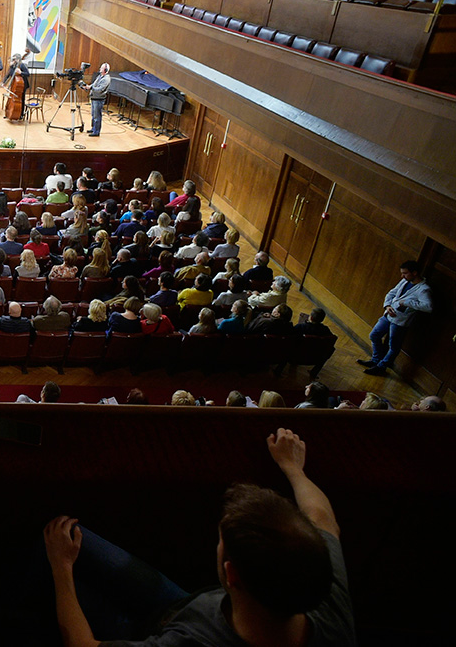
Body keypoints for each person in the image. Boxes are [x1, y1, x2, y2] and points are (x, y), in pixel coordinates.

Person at [44, 427, 351, 647]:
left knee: (50, 558)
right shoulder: (320, 589)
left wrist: (61, 566)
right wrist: (294, 469)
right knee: (69, 537)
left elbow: (84, 644)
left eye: (221, 541)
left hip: (151, 631)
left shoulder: (192, 641)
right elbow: (322, 519)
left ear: (231, 574)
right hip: (183, 606)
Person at [358, 259, 433, 376]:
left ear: (414, 273)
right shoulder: (404, 281)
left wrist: (407, 303)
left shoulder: (424, 289)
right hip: (389, 315)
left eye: (405, 273)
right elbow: (391, 293)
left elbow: (428, 307)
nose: (402, 276)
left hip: (400, 322)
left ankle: (381, 367)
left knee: (394, 346)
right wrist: (387, 305)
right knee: (374, 335)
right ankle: (375, 360)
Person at [79, 62, 111, 137]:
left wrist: (91, 88)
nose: (100, 68)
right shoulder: (100, 76)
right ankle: (93, 128)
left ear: (106, 70)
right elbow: (94, 84)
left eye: (102, 68)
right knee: (93, 115)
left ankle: (96, 132)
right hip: (94, 98)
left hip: (99, 99)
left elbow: (100, 89)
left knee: (97, 116)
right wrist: (88, 86)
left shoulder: (106, 79)